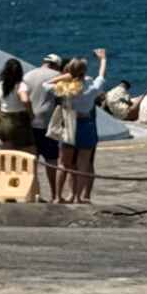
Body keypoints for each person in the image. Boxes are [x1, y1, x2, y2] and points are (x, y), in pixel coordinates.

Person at [48, 49, 109, 203]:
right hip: (86, 124)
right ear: (84, 72)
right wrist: (103, 59)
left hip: (69, 124)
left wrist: (67, 76)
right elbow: (101, 76)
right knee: (83, 164)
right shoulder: (91, 88)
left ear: (69, 71)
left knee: (64, 164)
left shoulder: (65, 88)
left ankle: (57, 196)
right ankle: (78, 197)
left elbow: (45, 85)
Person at [23, 54, 63, 199]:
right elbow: (61, 99)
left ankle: (34, 193)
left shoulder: (28, 75)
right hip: (48, 124)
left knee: (31, 160)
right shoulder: (57, 76)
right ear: (56, 65)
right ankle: (54, 193)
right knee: (51, 160)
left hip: (29, 124)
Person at [0, 58, 33, 152]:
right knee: (28, 151)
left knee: (7, 151)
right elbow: (25, 100)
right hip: (19, 121)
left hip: (4, 121)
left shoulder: (1, 84)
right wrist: (31, 113)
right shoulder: (20, 85)